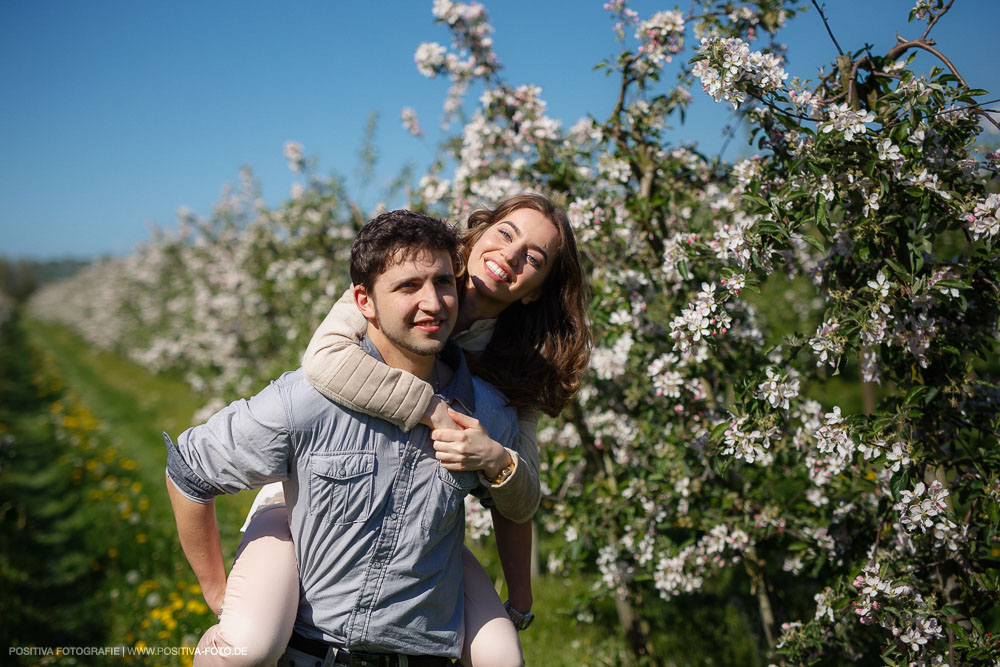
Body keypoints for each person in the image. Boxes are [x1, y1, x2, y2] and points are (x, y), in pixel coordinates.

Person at [165, 209, 522, 667]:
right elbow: (190, 469)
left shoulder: (487, 412)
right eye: (408, 286)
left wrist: (501, 465)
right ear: (364, 302)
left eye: (443, 282)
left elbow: (517, 508)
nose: (433, 303)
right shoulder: (311, 399)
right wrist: (217, 592)